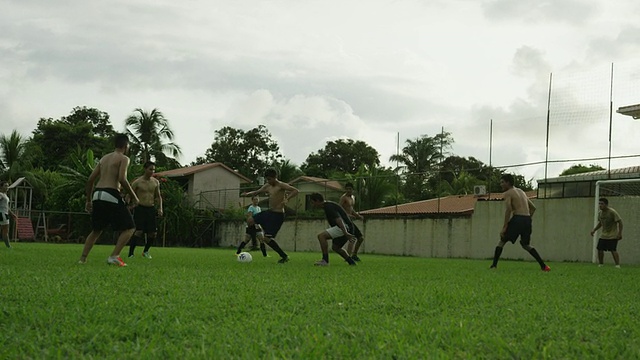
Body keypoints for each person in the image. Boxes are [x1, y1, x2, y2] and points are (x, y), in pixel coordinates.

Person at [78, 133, 139, 266]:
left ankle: (82, 259)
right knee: (130, 228)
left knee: (96, 230)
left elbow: (90, 180)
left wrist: (88, 200)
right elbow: (122, 179)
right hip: (111, 193)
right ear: (126, 145)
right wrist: (134, 197)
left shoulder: (104, 159)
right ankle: (114, 256)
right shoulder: (124, 158)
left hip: (97, 194)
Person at [490, 174, 550, 271]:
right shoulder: (521, 192)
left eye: (502, 182)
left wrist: (505, 226)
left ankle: (494, 266)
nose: (501, 184)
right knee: (525, 244)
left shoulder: (508, 193)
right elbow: (533, 208)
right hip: (527, 219)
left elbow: (509, 209)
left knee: (502, 240)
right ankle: (544, 266)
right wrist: (527, 219)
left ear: (508, 183)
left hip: (517, 218)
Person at [241, 168, 298, 264]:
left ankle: (284, 256)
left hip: (278, 215)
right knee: (250, 220)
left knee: (267, 239)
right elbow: (257, 192)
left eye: (270, 179)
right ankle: (254, 241)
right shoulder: (267, 186)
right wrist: (247, 194)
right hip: (269, 213)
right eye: (267, 179)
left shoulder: (281, 185)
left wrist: (286, 199)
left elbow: (296, 191)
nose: (269, 181)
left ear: (275, 177)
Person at [309, 192, 357, 266]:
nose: (312, 205)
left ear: (318, 201)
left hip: (344, 227)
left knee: (321, 236)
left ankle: (325, 261)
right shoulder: (328, 205)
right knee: (336, 247)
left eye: (313, 202)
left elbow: (339, 220)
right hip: (348, 227)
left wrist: (346, 233)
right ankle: (351, 262)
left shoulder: (328, 207)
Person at [127, 161, 163, 259]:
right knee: (139, 231)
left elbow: (159, 196)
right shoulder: (137, 182)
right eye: (150, 169)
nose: (152, 171)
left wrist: (160, 208)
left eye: (153, 170)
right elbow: (129, 194)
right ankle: (131, 253)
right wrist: (129, 204)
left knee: (153, 233)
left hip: (150, 208)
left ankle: (146, 251)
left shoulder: (155, 182)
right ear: (145, 169)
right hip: (140, 208)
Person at [590, 197, 623, 268]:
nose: (600, 205)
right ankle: (601, 264)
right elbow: (601, 223)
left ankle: (617, 265)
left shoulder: (612, 212)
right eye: (599, 204)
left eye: (602, 204)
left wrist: (619, 233)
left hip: (612, 235)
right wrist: (594, 230)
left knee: (613, 249)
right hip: (604, 235)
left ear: (606, 205)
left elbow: (620, 222)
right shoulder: (600, 213)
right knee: (600, 249)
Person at [340, 182, 365, 261]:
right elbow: (339, 209)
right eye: (347, 189)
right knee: (352, 238)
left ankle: (354, 255)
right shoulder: (343, 198)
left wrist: (358, 216)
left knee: (360, 238)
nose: (348, 190)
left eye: (350, 189)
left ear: (352, 190)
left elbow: (351, 209)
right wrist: (347, 215)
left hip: (350, 221)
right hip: (345, 221)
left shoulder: (353, 197)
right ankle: (348, 257)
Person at [0, 181, 17, 249]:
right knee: (5, 231)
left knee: (5, 231)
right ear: (1, 187)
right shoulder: (1, 194)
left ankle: (8, 246)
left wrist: (12, 214)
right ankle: (8, 246)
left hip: (4, 213)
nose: (7, 187)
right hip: (2, 214)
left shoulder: (5, 195)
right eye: (5, 186)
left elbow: (6, 206)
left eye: (7, 186)